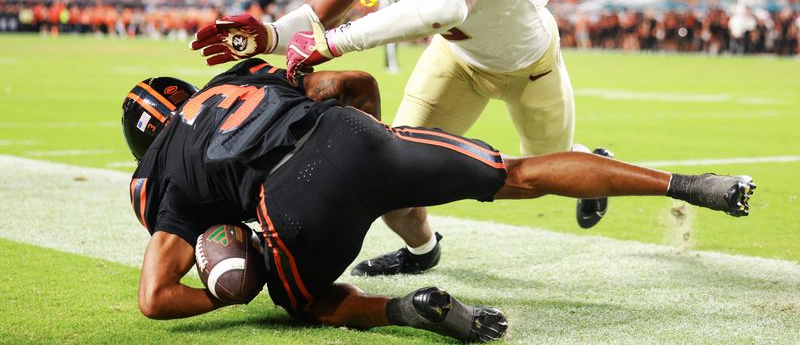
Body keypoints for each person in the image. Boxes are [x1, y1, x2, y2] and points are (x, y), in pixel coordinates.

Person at [191, 0, 631, 275]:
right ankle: (423, 251)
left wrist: (335, 43)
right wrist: (268, 34)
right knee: (391, 166)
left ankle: (588, 161)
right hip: (458, 59)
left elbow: (447, 4)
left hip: (529, 68)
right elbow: (324, 6)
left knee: (544, 173)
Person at [123, 58, 755, 343]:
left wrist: (230, 285)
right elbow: (352, 82)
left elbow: (155, 298)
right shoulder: (240, 78)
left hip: (291, 204)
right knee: (517, 171)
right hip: (352, 135)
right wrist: (371, 143)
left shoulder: (164, 175)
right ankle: (693, 186)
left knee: (306, 301)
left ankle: (409, 310)